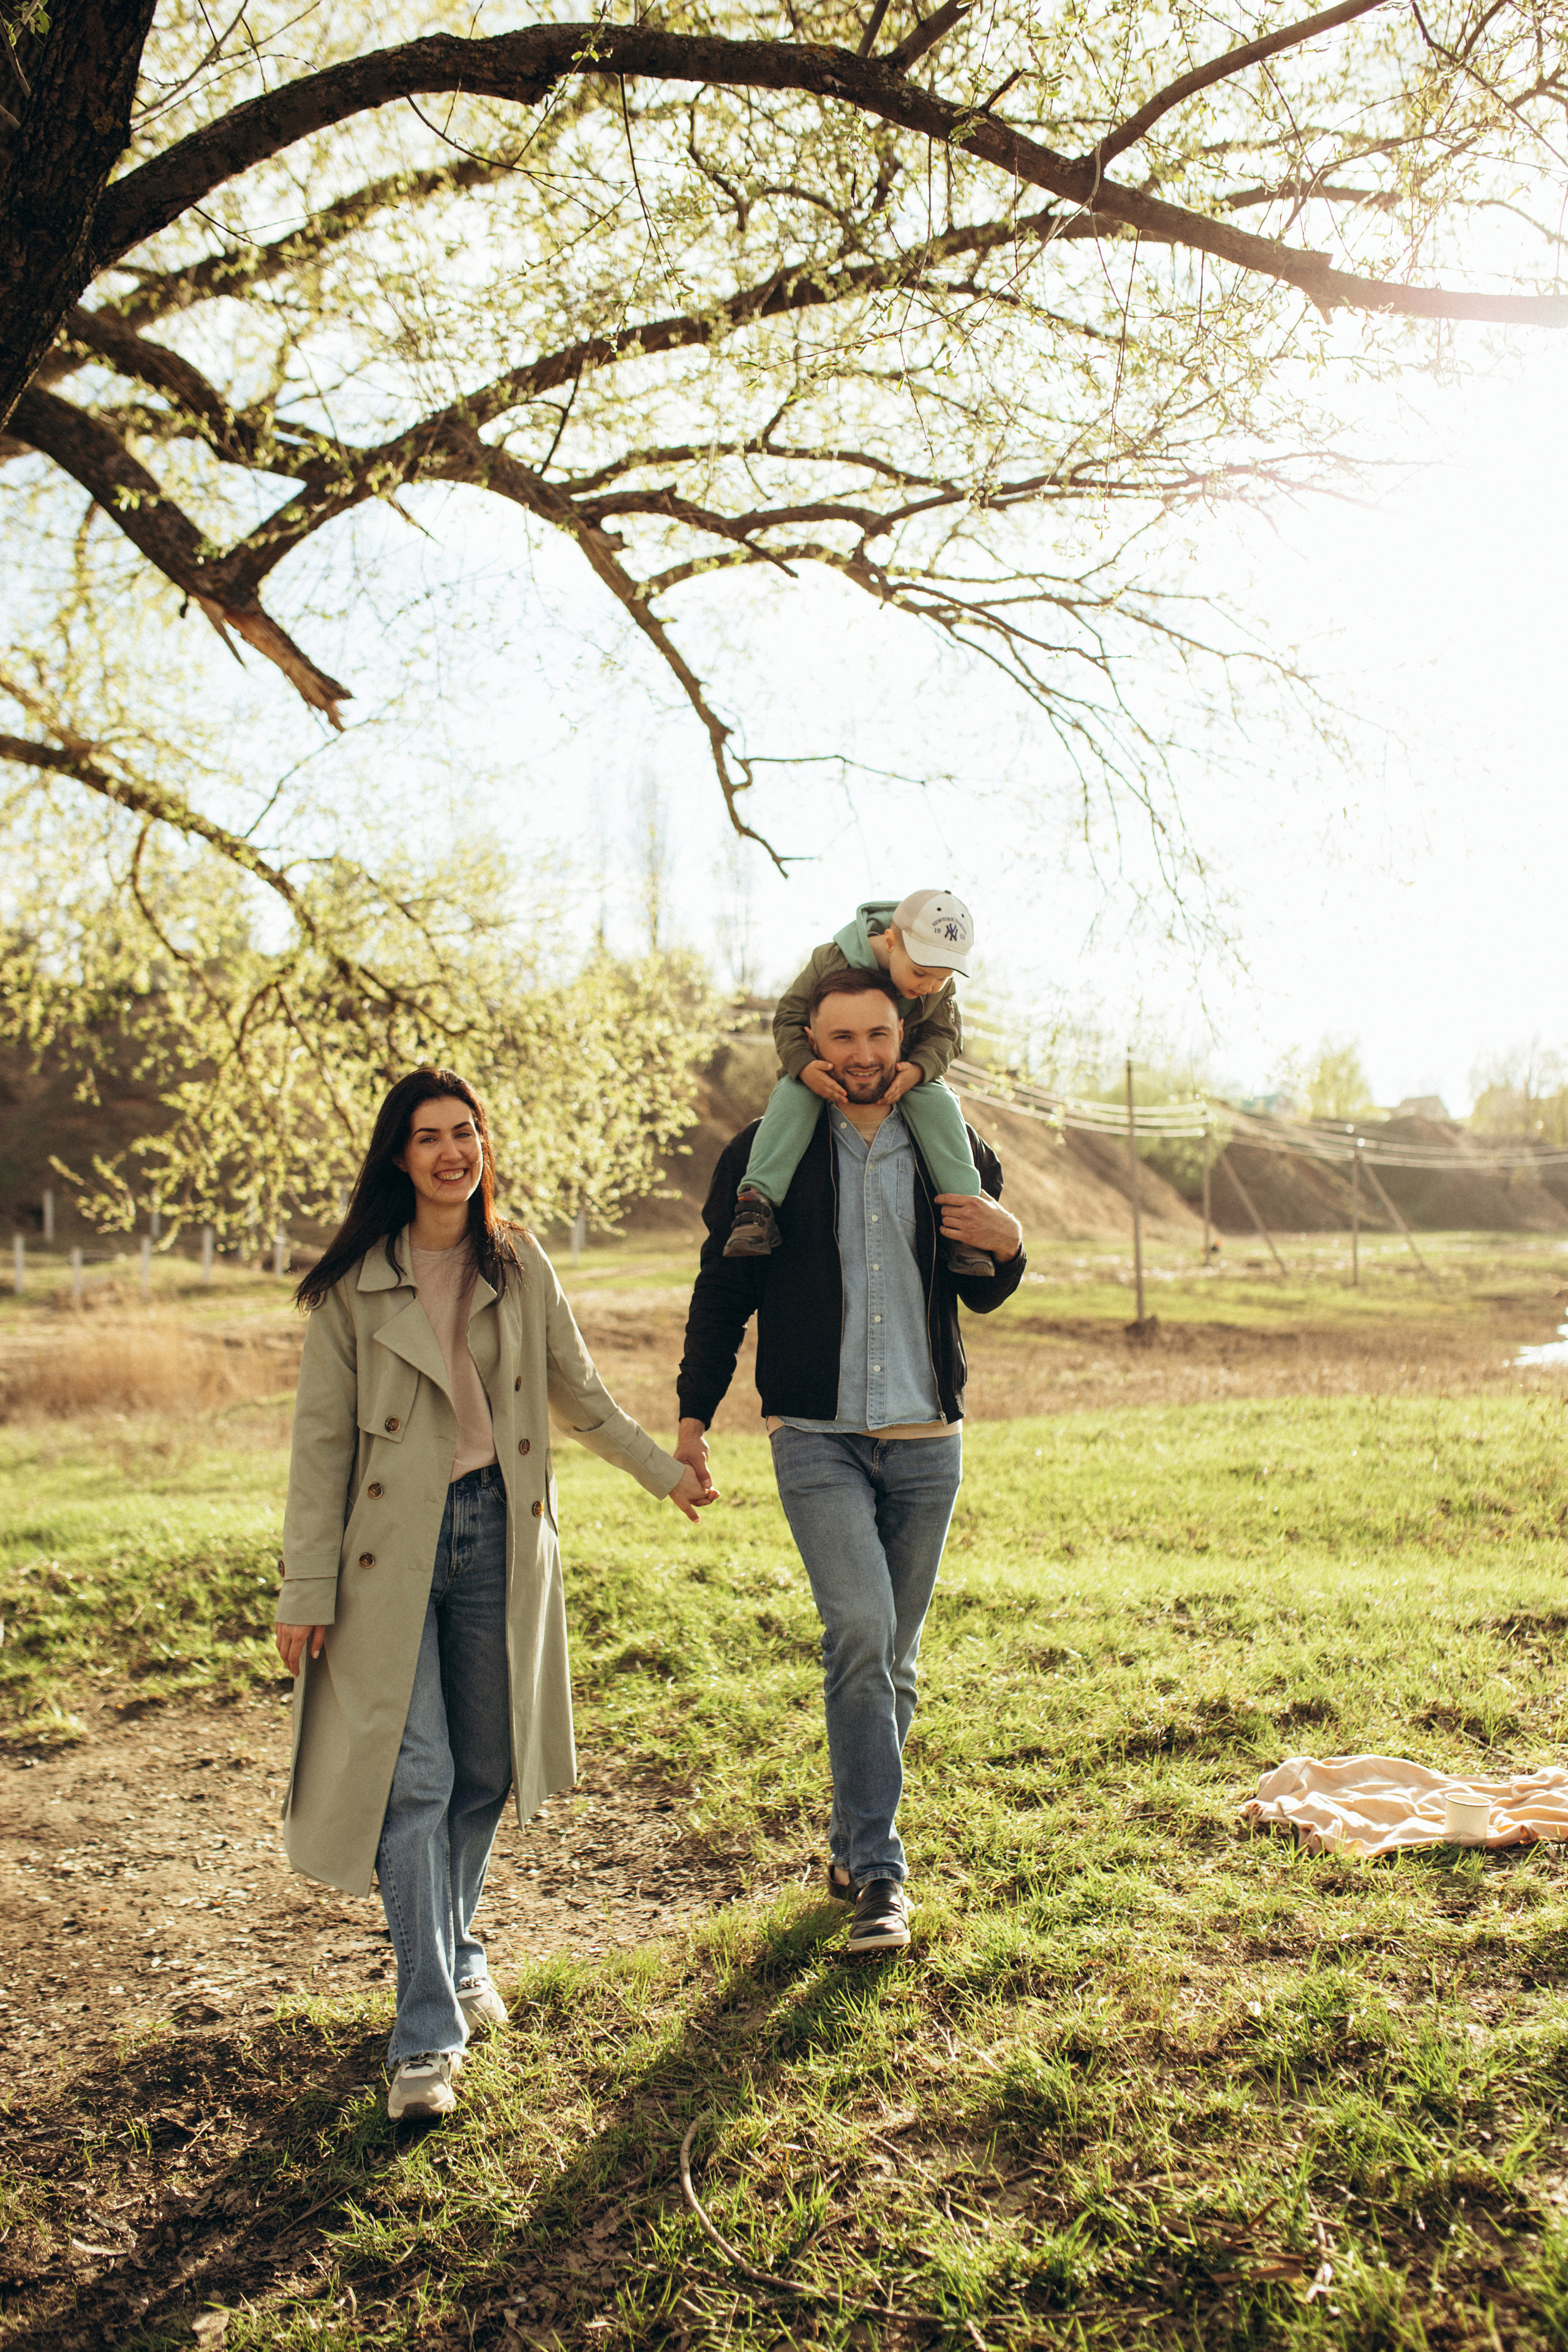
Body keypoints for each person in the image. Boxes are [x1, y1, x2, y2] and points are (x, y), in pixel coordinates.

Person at [274, 1068, 708, 2122]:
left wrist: (666, 1470)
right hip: (388, 1559)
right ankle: (424, 2039)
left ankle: (459, 1946)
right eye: (429, 1137)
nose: (452, 1152)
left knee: (480, 1768)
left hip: (497, 1541)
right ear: (398, 1157)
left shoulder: (519, 1266)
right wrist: (305, 1586)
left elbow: (580, 1392)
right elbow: (321, 1448)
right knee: (411, 1781)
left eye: (465, 1132)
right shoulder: (350, 1291)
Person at [675, 968, 1025, 1958]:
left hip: (927, 1442)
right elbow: (722, 1290)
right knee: (863, 1632)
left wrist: (1012, 1242)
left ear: (903, 1034)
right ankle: (880, 1875)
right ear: (810, 1046)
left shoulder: (948, 1142)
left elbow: (987, 1289)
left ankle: (849, 1844)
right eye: (841, 1037)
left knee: (894, 1661)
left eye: (878, 1033)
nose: (862, 1054)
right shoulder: (768, 1153)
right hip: (816, 1434)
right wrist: (693, 1414)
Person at [724, 889, 995, 1276]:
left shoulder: (936, 980)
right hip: (826, 1069)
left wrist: (918, 1069)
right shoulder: (831, 958)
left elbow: (946, 1035)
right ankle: (756, 1206)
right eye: (920, 973)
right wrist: (804, 1066)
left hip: (905, 1072)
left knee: (941, 1105)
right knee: (791, 1098)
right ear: (890, 941)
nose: (930, 986)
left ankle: (966, 1229)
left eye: (943, 978)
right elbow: (788, 1016)